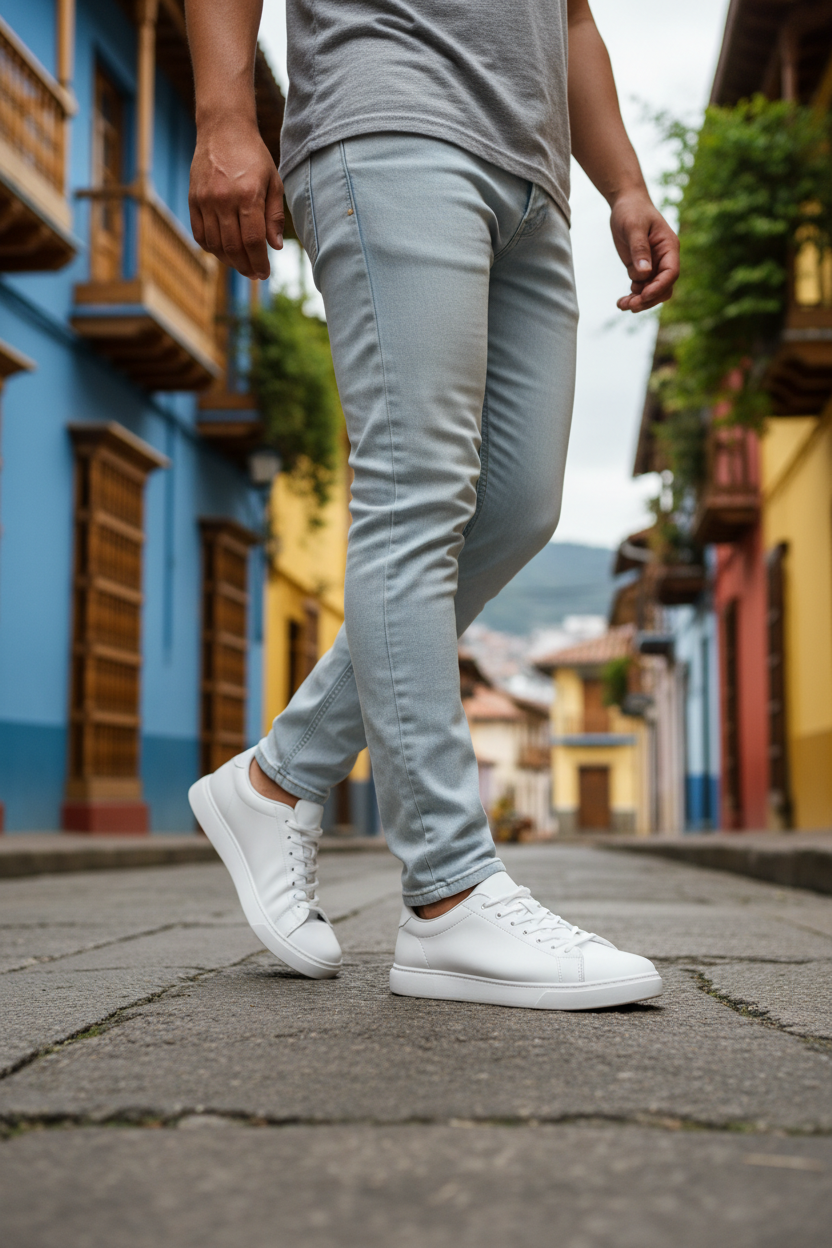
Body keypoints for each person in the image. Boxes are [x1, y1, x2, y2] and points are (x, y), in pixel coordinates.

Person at [186, 0, 679, 1009]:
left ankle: (276, 779)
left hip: (533, 174)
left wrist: (623, 182)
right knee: (415, 491)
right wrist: (224, 117)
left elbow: (572, 17)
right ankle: (448, 898)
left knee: (516, 505)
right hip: (390, 115)